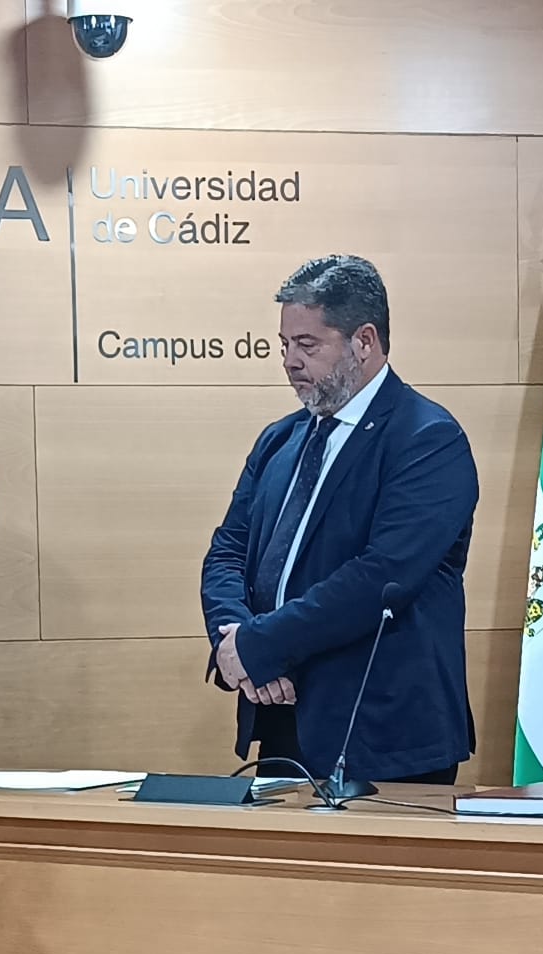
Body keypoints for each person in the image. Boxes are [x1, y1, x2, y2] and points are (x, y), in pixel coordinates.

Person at [199, 254, 480, 785]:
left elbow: (381, 577)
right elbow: (228, 551)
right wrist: (234, 638)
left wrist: (260, 647)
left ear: (364, 341)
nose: (289, 361)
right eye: (284, 345)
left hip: (382, 733)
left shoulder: (427, 439)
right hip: (279, 711)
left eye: (307, 345)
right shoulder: (280, 439)